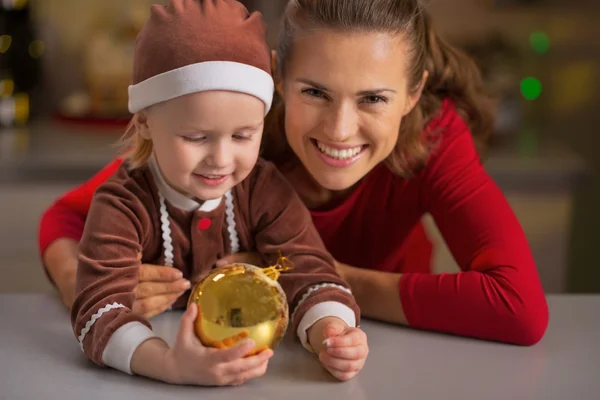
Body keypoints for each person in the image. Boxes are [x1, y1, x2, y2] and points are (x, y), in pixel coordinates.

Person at [40, 0, 549, 347]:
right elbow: (64, 220)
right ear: (278, 77)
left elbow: (519, 308)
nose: (340, 130)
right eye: (314, 92)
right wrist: (84, 286)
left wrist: (300, 275)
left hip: (383, 343)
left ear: (414, 92)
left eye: (373, 98)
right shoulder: (233, 135)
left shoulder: (435, 139)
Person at [69, 0, 368, 386]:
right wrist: (170, 364)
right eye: (196, 137)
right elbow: (98, 310)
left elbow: (308, 270)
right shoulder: (123, 204)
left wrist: (331, 332)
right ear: (144, 122)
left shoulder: (264, 189)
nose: (221, 159)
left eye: (243, 135)